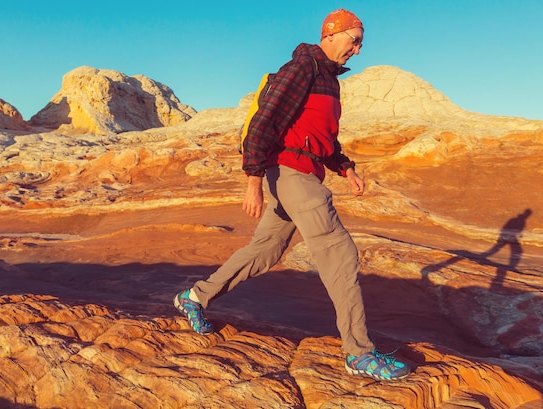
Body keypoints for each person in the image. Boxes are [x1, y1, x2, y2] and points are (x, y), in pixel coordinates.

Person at [174, 9, 411, 381]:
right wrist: (252, 180)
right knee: (340, 253)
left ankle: (195, 297)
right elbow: (262, 124)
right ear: (332, 34)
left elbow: (321, 138)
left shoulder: (329, 82)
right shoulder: (301, 69)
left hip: (302, 174)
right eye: (355, 40)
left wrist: (345, 167)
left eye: (361, 42)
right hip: (291, 175)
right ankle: (359, 353)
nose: (358, 50)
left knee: (265, 251)